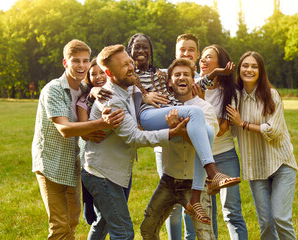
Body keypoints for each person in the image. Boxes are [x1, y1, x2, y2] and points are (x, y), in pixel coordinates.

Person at [127, 33, 240, 225]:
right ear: (129, 50)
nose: (141, 51)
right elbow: (104, 74)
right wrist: (144, 96)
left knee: (209, 132)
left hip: (169, 112)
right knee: (195, 112)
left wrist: (217, 72)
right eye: (137, 47)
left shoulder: (161, 74)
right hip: (149, 116)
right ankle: (212, 173)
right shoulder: (129, 74)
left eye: (145, 47)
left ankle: (195, 198)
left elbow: (196, 81)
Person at [81, 44, 189, 240]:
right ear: (109, 72)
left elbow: (161, 76)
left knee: (103, 223)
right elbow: (133, 137)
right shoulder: (111, 99)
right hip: (102, 174)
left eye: (130, 62)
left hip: (116, 171)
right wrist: (171, 133)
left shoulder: (127, 87)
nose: (131, 67)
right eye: (124, 65)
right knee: (123, 232)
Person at [31, 39, 125, 239]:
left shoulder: (84, 90)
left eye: (85, 61)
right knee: (60, 227)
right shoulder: (53, 89)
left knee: (72, 222)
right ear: (65, 63)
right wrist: (103, 124)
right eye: (76, 61)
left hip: (73, 165)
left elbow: (93, 91)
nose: (81, 66)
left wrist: (92, 90)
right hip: (51, 165)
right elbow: (64, 129)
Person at [140, 58, 218, 240]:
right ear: (169, 81)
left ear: (193, 80)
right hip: (168, 181)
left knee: (205, 235)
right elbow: (148, 133)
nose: (182, 78)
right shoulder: (162, 108)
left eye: (186, 75)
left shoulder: (205, 108)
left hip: (195, 183)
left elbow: (205, 144)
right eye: (177, 75)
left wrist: (179, 131)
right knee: (147, 229)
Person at [226, 51, 298, 240]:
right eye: (245, 65)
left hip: (281, 164)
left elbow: (275, 131)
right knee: (265, 223)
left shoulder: (271, 95)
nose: (249, 70)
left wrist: (244, 124)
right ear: (239, 69)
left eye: (254, 66)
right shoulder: (236, 98)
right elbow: (229, 130)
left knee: (280, 217)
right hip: (255, 167)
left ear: (261, 71)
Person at [76, 58, 132, 240]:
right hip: (96, 163)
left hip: (117, 163)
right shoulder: (85, 99)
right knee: (97, 217)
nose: (98, 77)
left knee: (104, 220)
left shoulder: (117, 93)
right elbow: (84, 132)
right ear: (89, 78)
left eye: (101, 72)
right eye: (93, 74)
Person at [196, 44, 248, 239]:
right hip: (201, 157)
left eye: (209, 57)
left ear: (221, 64)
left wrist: (201, 102)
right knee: (206, 214)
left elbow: (220, 130)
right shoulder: (192, 85)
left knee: (232, 211)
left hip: (225, 155)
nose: (203, 60)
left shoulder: (230, 92)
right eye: (202, 57)